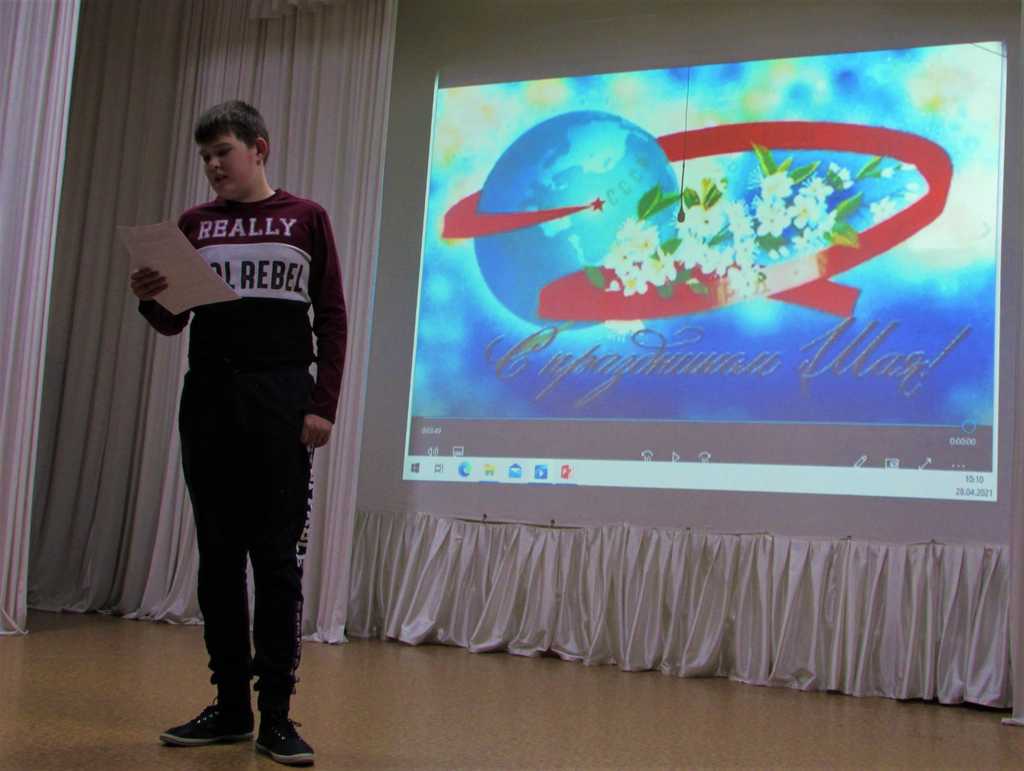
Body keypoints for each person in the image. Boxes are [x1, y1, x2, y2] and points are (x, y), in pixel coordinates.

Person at [131, 100, 346, 767]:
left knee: (275, 561)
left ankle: (276, 714)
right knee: (219, 559)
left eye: (222, 151)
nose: (213, 166)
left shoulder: (306, 217)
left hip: (280, 401)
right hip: (209, 402)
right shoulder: (194, 225)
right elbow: (172, 321)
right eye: (205, 157)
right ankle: (229, 706)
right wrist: (150, 294)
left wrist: (322, 404)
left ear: (259, 148)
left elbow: (332, 317)